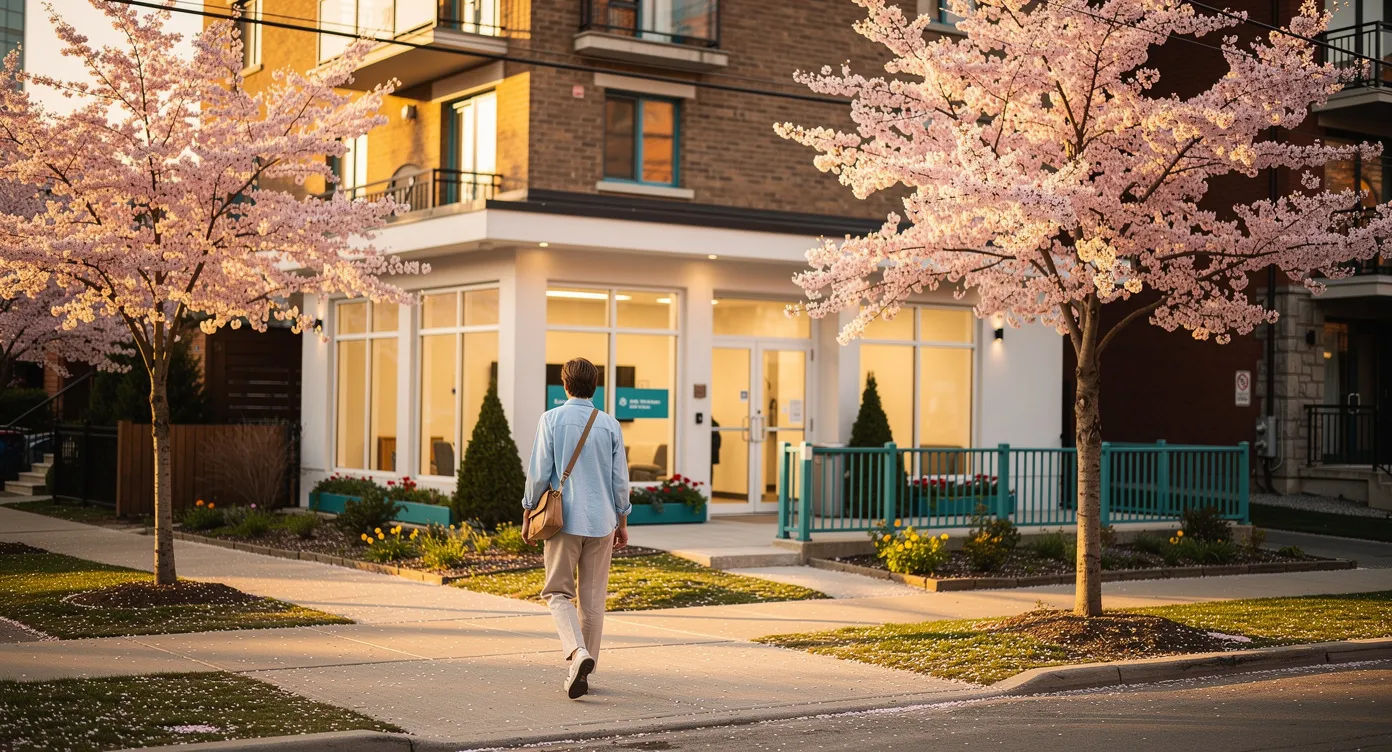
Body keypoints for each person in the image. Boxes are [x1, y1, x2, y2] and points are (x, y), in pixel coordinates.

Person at [522, 357, 631, 699]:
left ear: (564, 384)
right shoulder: (610, 424)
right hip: (602, 523)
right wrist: (623, 520)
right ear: (594, 386)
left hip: (562, 520)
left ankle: (576, 653)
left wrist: (528, 510)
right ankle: (583, 669)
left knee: (557, 593)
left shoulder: (552, 419)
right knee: (593, 599)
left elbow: (540, 472)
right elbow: (620, 480)